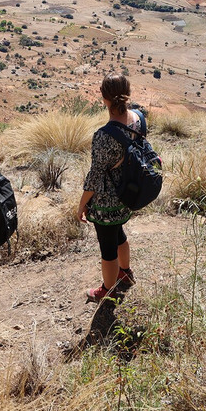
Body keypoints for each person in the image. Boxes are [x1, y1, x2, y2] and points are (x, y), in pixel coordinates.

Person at [77, 74, 141, 303]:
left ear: (104, 98)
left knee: (107, 248)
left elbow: (95, 176)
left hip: (106, 201)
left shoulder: (103, 136)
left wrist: (82, 205)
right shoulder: (138, 119)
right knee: (119, 233)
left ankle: (107, 290)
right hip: (128, 193)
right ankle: (125, 272)